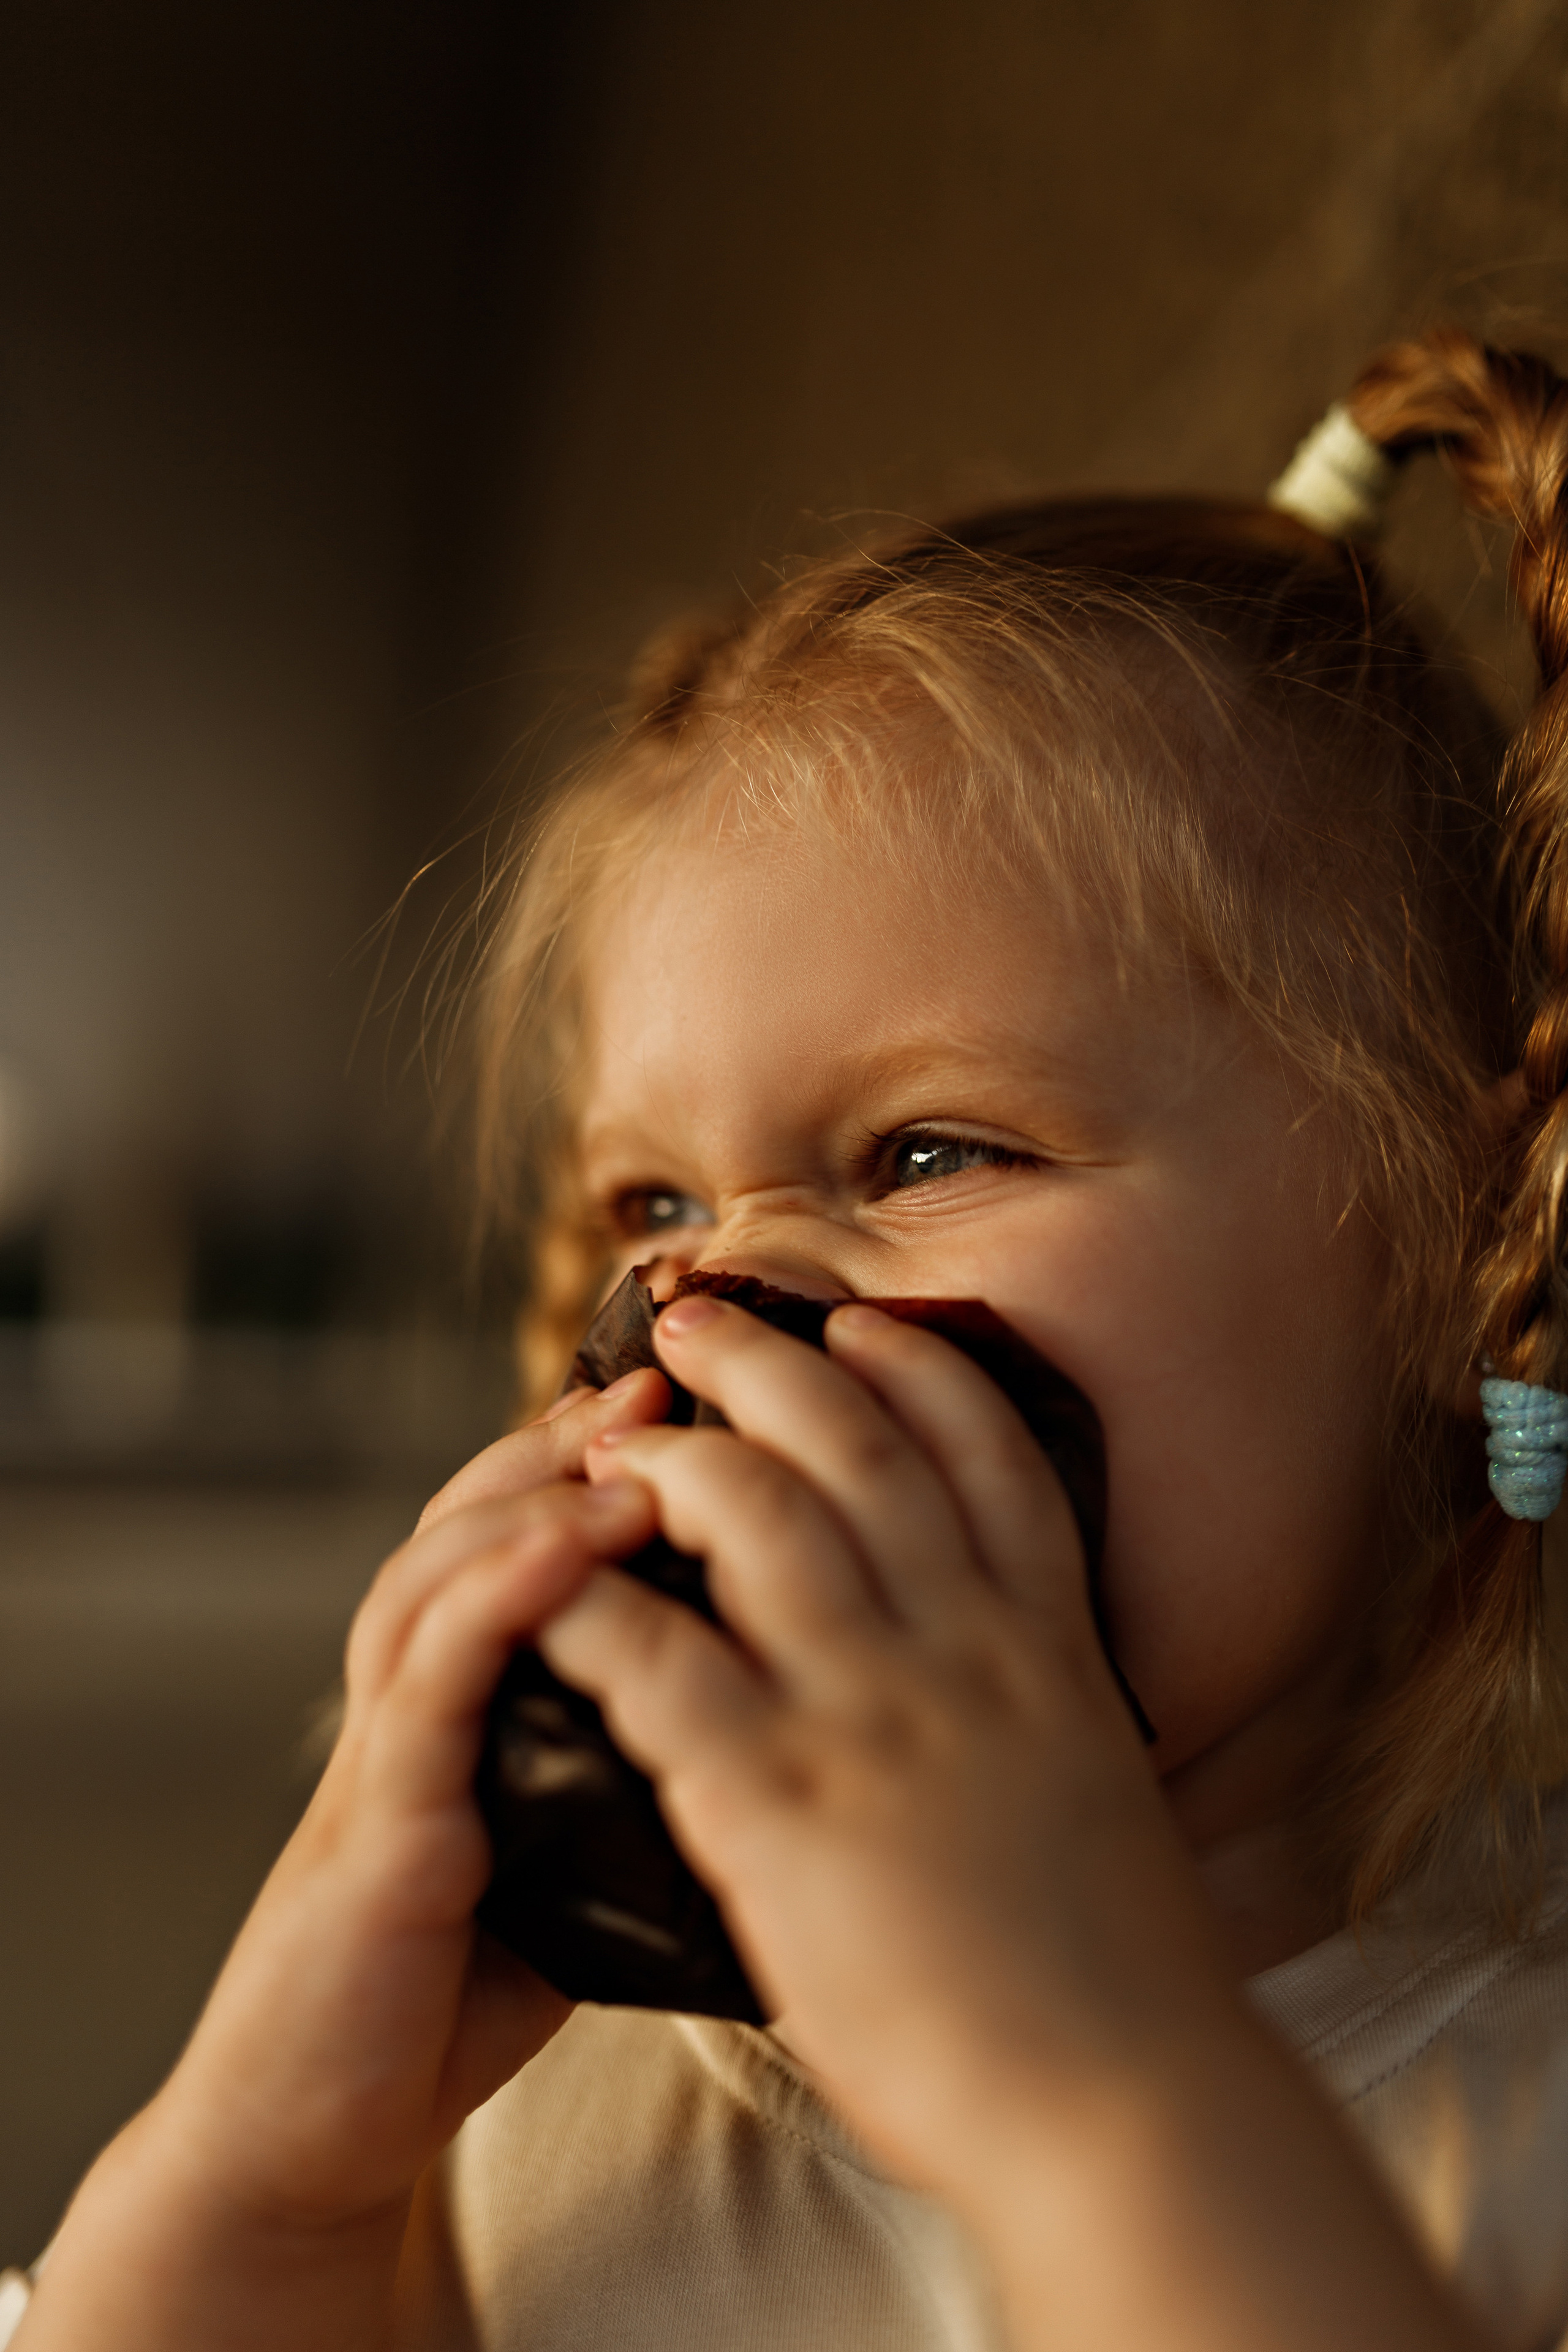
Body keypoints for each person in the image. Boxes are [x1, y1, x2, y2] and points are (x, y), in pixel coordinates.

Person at [9, 323, 1568, 2352]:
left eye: (928, 1149)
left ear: (1467, 1244)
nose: (722, 1297)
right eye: (653, 1210)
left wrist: (1076, 2073)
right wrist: (261, 2167)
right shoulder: (539, 2078)